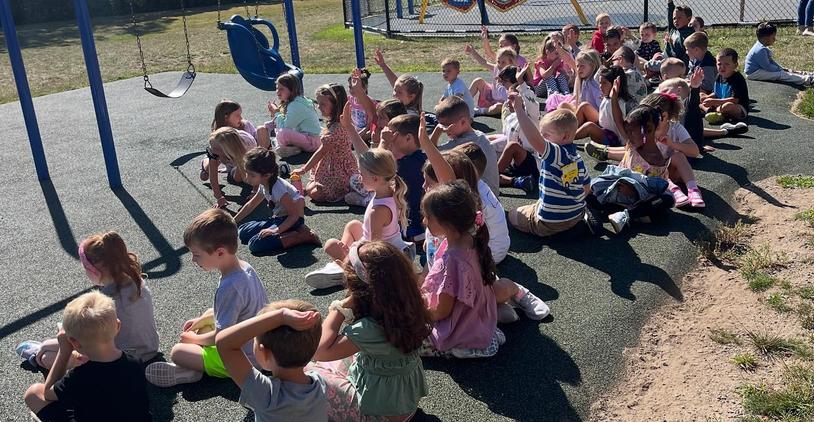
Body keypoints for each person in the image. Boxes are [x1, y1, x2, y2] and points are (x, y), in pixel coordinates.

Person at [145, 209, 268, 387]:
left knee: (179, 351)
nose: (194, 260)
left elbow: (222, 338)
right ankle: (194, 364)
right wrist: (202, 320)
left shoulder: (230, 286)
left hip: (244, 360)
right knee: (201, 322)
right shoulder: (244, 268)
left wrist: (193, 340)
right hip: (256, 346)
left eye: (197, 255)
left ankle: (189, 372)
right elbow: (239, 312)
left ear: (219, 253)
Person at [309, 241, 431, 421]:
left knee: (310, 373)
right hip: (406, 403)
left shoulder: (367, 329)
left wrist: (341, 307)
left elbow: (320, 351)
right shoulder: (412, 304)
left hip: (380, 414)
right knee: (343, 355)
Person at [17, 232, 159, 370]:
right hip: (150, 350)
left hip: (118, 360)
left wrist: (51, 342)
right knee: (56, 343)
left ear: (94, 271)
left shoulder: (103, 303)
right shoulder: (137, 283)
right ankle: (40, 351)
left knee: (48, 354)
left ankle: (37, 356)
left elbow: (82, 339)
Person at [23, 292, 152, 422]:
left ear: (74, 343)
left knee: (33, 392)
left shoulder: (79, 376)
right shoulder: (135, 359)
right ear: (117, 326)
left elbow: (47, 394)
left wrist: (64, 351)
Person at [419, 181, 504, 358]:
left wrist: (416, 312)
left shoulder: (452, 260)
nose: (424, 221)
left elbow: (442, 311)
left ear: (447, 222)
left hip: (459, 329)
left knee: (399, 339)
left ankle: (461, 347)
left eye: (428, 216)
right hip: (476, 318)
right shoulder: (471, 240)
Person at [307, 148, 412, 289]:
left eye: (362, 175)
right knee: (353, 225)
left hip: (382, 257)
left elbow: (375, 250)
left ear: (375, 178)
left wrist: (353, 252)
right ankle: (342, 263)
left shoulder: (378, 211)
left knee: (330, 245)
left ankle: (346, 271)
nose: (359, 178)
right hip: (392, 245)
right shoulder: (390, 190)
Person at [215, 300, 327, 422]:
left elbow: (223, 344)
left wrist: (281, 316)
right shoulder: (318, 383)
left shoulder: (268, 396)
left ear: (264, 353)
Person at [509, 95, 589, 238]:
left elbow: (534, 140)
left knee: (513, 214)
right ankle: (570, 226)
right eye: (542, 134)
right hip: (576, 215)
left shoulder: (556, 153)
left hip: (549, 222)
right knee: (539, 204)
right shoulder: (578, 159)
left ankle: (554, 230)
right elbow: (586, 188)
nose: (542, 138)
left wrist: (519, 110)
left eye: (546, 135)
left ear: (564, 137)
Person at [234, 148, 319, 255]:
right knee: (242, 231)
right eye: (247, 173)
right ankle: (285, 232)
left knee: (254, 244)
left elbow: (294, 215)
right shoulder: (264, 183)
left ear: (266, 175)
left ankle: (301, 236)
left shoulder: (278, 188)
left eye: (252, 175)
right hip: (279, 219)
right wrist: (233, 221)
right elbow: (250, 205)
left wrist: (275, 231)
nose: (247, 177)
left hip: (293, 221)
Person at [292, 84, 359, 203]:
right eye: (318, 103)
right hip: (329, 165)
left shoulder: (338, 127)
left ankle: (346, 190)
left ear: (335, 104)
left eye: (323, 104)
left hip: (339, 169)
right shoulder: (332, 123)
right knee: (310, 188)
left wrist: (303, 169)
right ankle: (318, 187)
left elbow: (322, 151)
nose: (319, 107)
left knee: (315, 195)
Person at [434, 96, 500, 196]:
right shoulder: (479, 135)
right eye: (442, 126)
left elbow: (429, 153)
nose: (444, 129)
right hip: (491, 195)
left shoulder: (462, 142)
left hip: (479, 200)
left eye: (447, 126)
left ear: (463, 121)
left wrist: (436, 132)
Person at [266, 73, 322, 158]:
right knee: (269, 126)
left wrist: (276, 112)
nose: (278, 92)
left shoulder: (296, 105)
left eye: (282, 89)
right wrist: (274, 114)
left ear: (292, 90)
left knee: (283, 133)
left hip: (313, 142)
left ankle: (284, 148)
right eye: (277, 88)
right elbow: (286, 122)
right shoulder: (294, 102)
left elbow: (285, 127)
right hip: (305, 137)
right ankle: (287, 147)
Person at [574, 66, 631, 146]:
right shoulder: (607, 95)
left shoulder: (619, 102)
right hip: (602, 127)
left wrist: (625, 142)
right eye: (600, 83)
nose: (600, 86)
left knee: (589, 126)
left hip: (612, 137)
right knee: (584, 106)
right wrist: (604, 66)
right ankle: (569, 130)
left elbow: (619, 122)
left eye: (604, 83)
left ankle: (567, 138)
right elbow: (597, 77)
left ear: (615, 85)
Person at [745, 22, 814, 87]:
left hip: (759, 69)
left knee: (786, 71)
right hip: (754, 73)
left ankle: (808, 74)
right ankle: (808, 80)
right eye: (773, 37)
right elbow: (767, 67)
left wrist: (781, 68)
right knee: (781, 74)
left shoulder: (761, 47)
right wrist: (780, 70)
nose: (775, 39)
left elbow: (770, 61)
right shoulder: (760, 50)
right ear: (766, 39)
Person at [202, 127, 255, 209]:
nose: (212, 149)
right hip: (227, 156)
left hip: (235, 157)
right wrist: (219, 197)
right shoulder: (214, 149)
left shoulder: (248, 147)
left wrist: (255, 191)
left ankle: (225, 161)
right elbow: (213, 176)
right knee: (205, 174)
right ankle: (205, 162)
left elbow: (256, 169)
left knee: (242, 178)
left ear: (227, 149)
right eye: (211, 146)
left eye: (215, 148)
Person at [465, 45, 518, 116]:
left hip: (503, 101)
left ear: (511, 63)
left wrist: (501, 83)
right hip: (491, 95)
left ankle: (480, 111)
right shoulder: (496, 67)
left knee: (499, 107)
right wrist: (472, 52)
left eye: (503, 62)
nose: (500, 65)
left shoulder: (514, 74)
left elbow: (511, 94)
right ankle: (463, 105)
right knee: (478, 81)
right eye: (498, 61)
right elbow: (484, 62)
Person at [702, 48, 750, 124]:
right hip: (720, 103)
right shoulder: (719, 76)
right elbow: (716, 93)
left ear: (735, 65)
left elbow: (735, 100)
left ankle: (712, 112)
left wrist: (714, 102)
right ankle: (715, 113)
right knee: (700, 96)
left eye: (726, 64)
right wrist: (707, 98)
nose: (722, 67)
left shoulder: (737, 78)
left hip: (738, 107)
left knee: (727, 106)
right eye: (719, 64)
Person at [373, 49, 426, 115]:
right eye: (395, 90)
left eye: (399, 93)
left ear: (411, 96)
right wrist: (383, 65)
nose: (395, 94)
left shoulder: (408, 115)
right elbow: (398, 84)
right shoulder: (404, 104)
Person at [346, 68, 376, 142]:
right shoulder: (349, 100)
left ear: (365, 87)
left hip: (367, 129)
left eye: (355, 87)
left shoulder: (370, 103)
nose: (352, 90)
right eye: (350, 87)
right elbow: (348, 118)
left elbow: (370, 125)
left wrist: (360, 134)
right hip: (355, 129)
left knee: (370, 134)